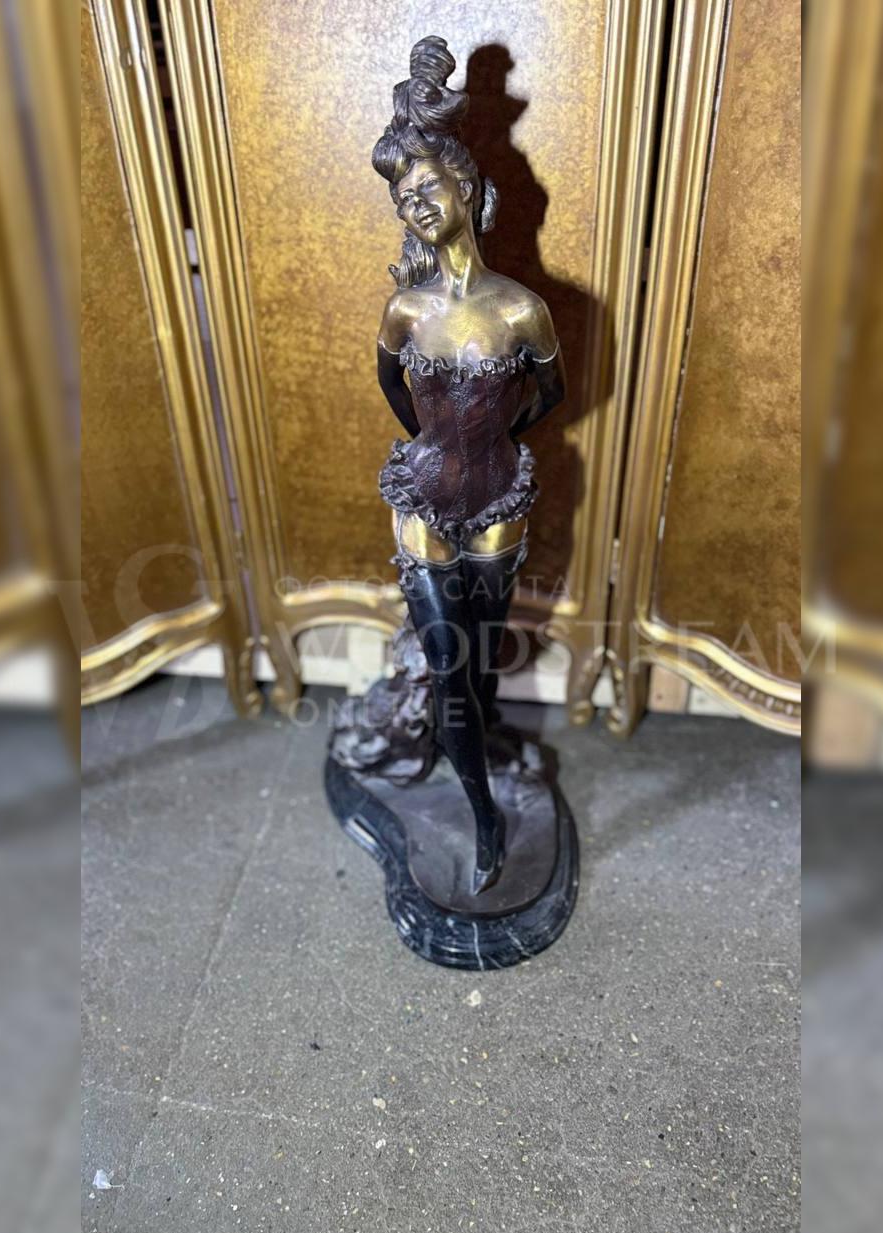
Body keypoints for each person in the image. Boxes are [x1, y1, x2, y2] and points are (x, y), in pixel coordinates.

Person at [370, 36, 565, 894]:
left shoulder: (523, 310)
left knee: (481, 659)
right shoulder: (404, 311)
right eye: (403, 197)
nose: (416, 205)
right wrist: (438, 444)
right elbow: (394, 389)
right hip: (423, 500)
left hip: (500, 501)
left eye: (428, 189)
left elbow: (551, 395)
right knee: (451, 670)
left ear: (468, 190)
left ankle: (480, 740)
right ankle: (484, 817)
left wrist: (494, 441)